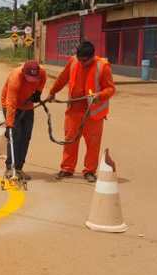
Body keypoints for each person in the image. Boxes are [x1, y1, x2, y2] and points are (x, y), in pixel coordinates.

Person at [46, 41, 115, 182]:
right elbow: (62, 78)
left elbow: (110, 89)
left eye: (85, 61)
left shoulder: (102, 66)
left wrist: (98, 96)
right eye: (79, 59)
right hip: (74, 111)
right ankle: (67, 168)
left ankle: (89, 171)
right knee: (70, 140)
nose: (81, 63)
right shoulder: (73, 61)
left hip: (93, 113)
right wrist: (52, 92)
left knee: (92, 144)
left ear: (92, 56)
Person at [0, 60, 47, 180]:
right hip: (11, 105)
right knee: (15, 136)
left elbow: (42, 81)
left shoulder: (41, 72)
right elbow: (11, 103)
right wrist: (9, 125)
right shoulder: (15, 77)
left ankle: (19, 168)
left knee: (26, 137)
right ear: (23, 72)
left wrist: (38, 92)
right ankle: (10, 168)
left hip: (27, 105)